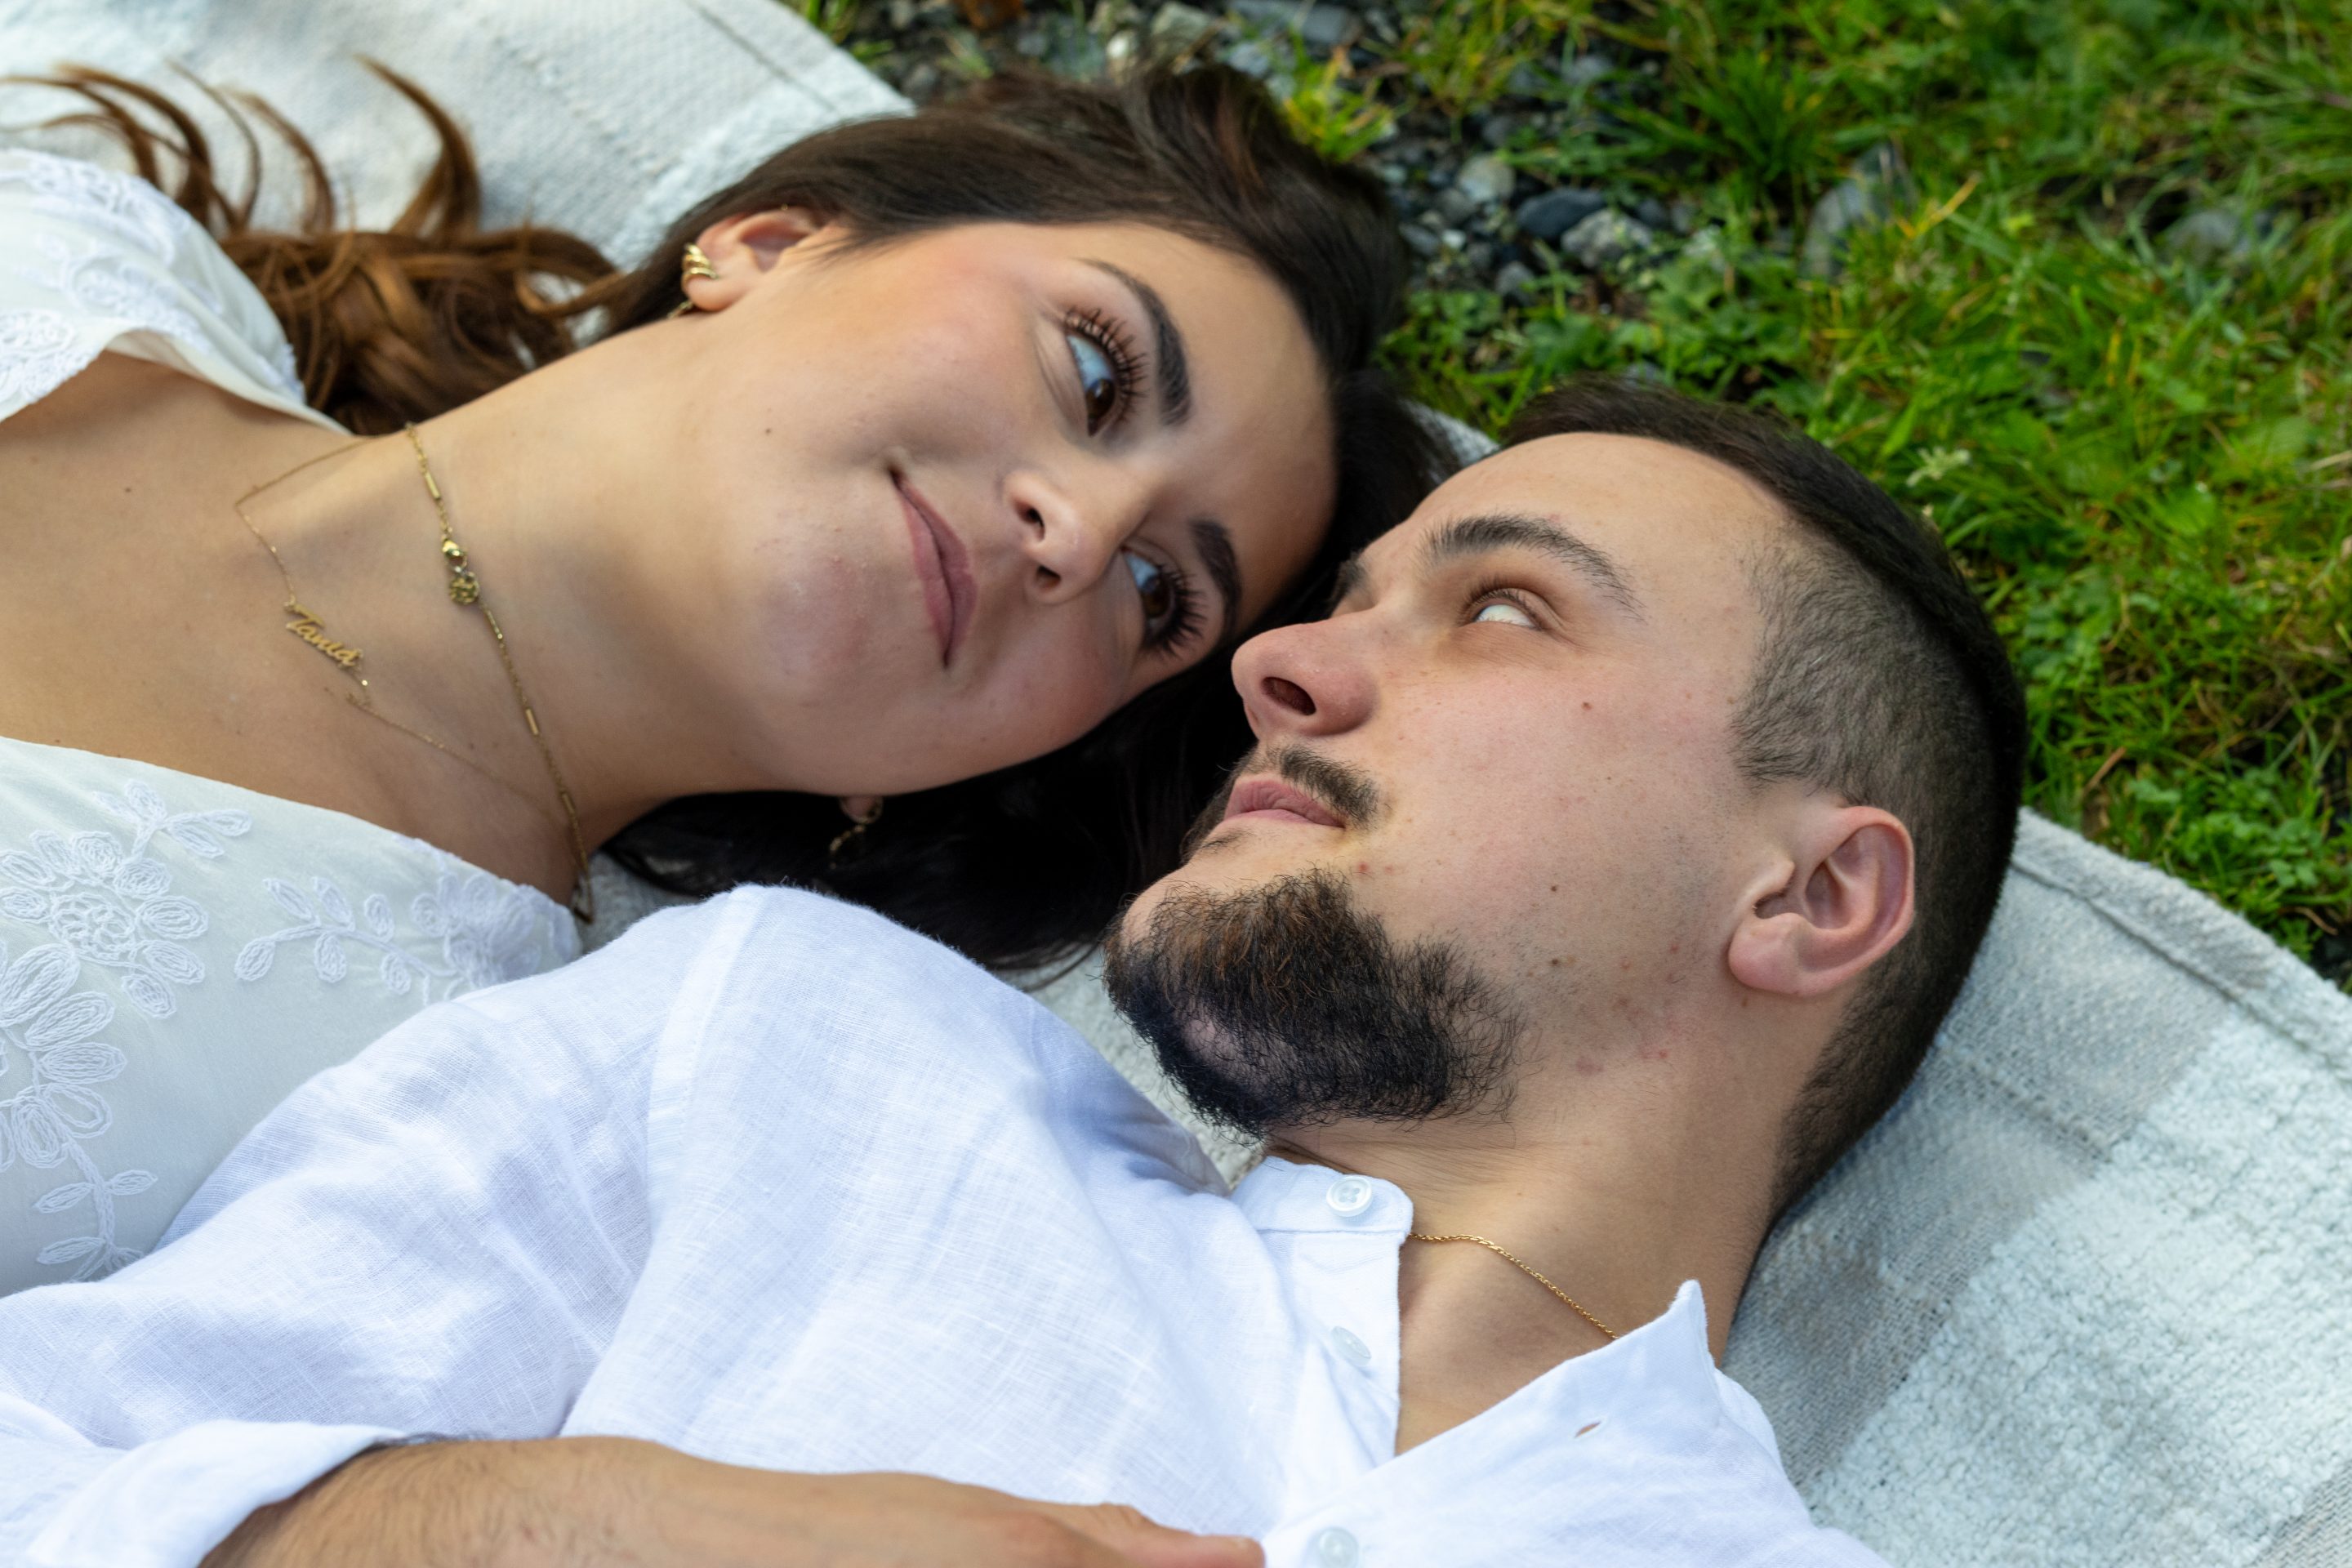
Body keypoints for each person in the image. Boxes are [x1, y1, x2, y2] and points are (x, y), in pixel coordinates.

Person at [0, 378, 2025, 1566]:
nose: (1279, 665)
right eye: (1335, 603)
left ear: (1810, 899)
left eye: (1505, 612)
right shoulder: (791, 1052)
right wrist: (535, 1534)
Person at [0, 63, 1438, 1290]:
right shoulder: (79, 247)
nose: (1082, 530)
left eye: (1157, 596)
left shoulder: (400, 1127)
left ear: (952, 776)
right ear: (770, 243)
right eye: (1096, 370)